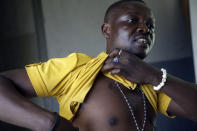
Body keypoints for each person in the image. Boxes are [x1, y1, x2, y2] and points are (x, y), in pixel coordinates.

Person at [0, 0, 197, 130]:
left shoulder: (154, 84)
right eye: (132, 20)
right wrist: (49, 123)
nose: (145, 29)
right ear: (106, 30)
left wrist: (154, 76)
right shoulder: (77, 68)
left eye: (150, 25)